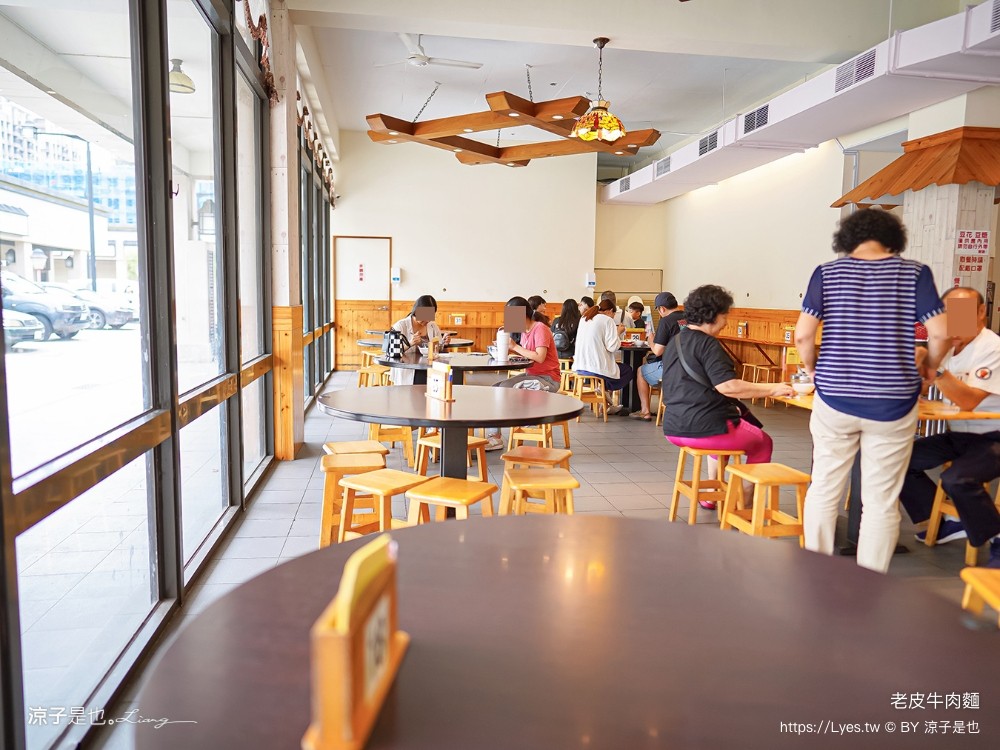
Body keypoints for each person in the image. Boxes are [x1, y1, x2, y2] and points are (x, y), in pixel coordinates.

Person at [794, 208, 949, 574]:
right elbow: (941, 332)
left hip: (835, 397)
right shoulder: (914, 273)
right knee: (881, 499)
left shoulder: (827, 272)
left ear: (846, 238)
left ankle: (815, 570)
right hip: (893, 400)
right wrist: (928, 367)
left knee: (825, 487)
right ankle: (868, 581)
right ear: (893, 238)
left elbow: (803, 335)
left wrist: (813, 367)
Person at [662, 285, 793, 508]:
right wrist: (773, 389)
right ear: (713, 315)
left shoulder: (676, 341)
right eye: (725, 315)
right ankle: (743, 504)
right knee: (763, 442)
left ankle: (712, 494)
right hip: (703, 429)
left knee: (724, 435)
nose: (726, 321)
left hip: (673, 427)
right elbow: (728, 387)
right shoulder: (708, 344)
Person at [898, 287, 1000, 568]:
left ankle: (997, 538)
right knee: (897, 460)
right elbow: (919, 385)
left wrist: (937, 370)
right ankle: (946, 523)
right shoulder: (945, 346)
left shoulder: (992, 348)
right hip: (959, 435)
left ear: (981, 312)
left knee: (957, 479)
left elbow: (968, 401)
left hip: (993, 436)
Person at [484, 296, 562, 450]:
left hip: (548, 379)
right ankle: (497, 433)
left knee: (503, 389)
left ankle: (502, 433)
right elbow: (528, 354)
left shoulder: (540, 328)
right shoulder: (525, 331)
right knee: (494, 389)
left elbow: (540, 357)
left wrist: (514, 347)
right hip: (533, 376)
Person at [573, 299, 634, 416]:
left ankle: (605, 399)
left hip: (580, 365)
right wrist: (618, 332)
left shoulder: (585, 317)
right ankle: (604, 393)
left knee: (612, 370)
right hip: (596, 367)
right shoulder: (607, 320)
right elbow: (612, 347)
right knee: (627, 370)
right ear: (611, 311)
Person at [632, 292, 684, 421]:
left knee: (641, 371)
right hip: (691, 368)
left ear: (662, 308)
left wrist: (651, 340)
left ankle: (645, 411)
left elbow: (658, 351)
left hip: (671, 368)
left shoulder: (666, 321)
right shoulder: (689, 318)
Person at [391, 295, 450, 385]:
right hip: (408, 371)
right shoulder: (400, 326)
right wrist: (410, 343)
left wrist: (444, 344)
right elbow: (391, 353)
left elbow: (439, 350)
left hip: (430, 369)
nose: (427, 320)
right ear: (416, 311)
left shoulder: (432, 326)